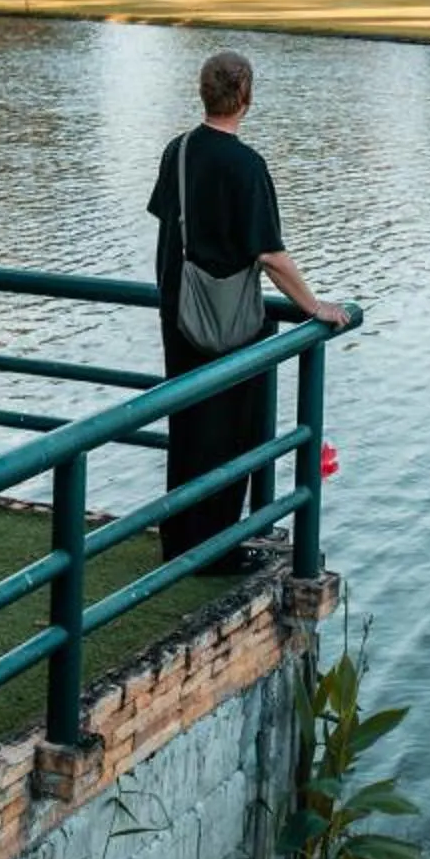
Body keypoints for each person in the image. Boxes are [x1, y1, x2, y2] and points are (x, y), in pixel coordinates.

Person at [143, 50, 348, 562]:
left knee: (188, 425)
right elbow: (270, 256)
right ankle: (218, 549)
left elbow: (167, 221)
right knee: (232, 434)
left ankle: (180, 541)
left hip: (179, 311)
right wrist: (314, 305)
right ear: (246, 97)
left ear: (203, 92)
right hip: (231, 322)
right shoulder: (246, 165)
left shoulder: (178, 150)